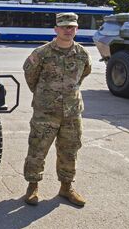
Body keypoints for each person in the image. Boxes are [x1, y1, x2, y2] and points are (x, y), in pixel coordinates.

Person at [22, 12, 92, 207]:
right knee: (37, 149)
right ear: (56, 29)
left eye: (72, 27)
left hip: (72, 113)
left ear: (76, 29)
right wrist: (45, 95)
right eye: (64, 27)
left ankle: (66, 187)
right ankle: (32, 186)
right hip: (46, 112)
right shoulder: (41, 53)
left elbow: (84, 74)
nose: (68, 30)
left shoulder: (82, 54)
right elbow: (30, 75)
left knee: (70, 150)